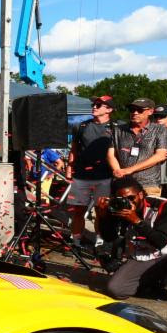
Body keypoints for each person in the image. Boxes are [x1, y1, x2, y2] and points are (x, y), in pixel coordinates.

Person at [96, 175, 167, 307]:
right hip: (145, 253)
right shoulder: (118, 208)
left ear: (141, 194)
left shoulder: (165, 205)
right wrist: (103, 217)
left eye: (131, 198)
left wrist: (136, 220)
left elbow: (160, 241)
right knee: (116, 290)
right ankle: (153, 283)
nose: (128, 203)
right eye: (122, 199)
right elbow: (109, 237)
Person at [67, 94, 117, 243]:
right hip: (81, 176)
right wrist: (69, 169)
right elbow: (74, 149)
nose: (94, 107)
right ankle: (76, 240)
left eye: (98, 105)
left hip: (104, 176)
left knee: (101, 211)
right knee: (78, 210)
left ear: (109, 110)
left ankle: (100, 240)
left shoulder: (116, 128)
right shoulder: (81, 126)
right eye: (94, 104)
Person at [108, 98, 167, 197]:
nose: (135, 113)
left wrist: (130, 170)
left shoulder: (160, 129)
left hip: (148, 184)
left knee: (147, 212)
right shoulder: (118, 130)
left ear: (150, 111)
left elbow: (160, 155)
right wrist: (118, 171)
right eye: (132, 109)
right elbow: (111, 155)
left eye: (140, 110)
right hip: (123, 184)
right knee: (121, 212)